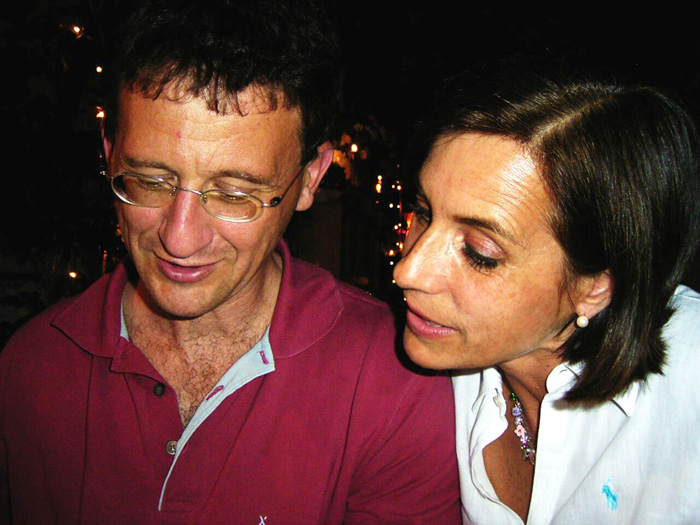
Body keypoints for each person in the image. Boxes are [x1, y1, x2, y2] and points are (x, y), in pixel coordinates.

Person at [0, 1, 460, 522]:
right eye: (149, 180)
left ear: (310, 177)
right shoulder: (30, 368)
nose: (179, 239)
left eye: (236, 193)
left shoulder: (393, 383)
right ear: (109, 154)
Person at [393, 70, 700, 524]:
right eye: (422, 213)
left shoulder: (689, 391)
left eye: (479, 253)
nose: (407, 272)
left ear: (594, 287)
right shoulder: (418, 383)